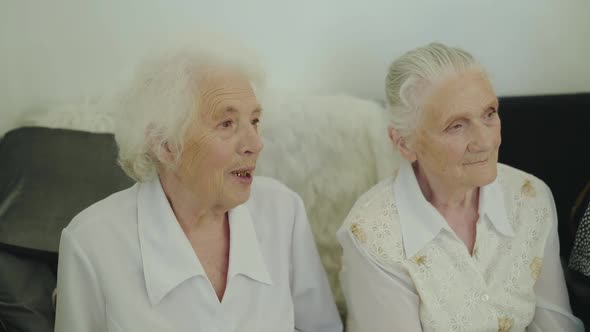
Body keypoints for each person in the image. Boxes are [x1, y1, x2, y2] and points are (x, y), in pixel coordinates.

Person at [54, 36, 342, 332]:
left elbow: (320, 328)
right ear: (166, 145)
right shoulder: (91, 242)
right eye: (226, 124)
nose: (255, 144)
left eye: (254, 121)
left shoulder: (283, 210)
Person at [337, 42, 583, 331]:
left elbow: (556, 324)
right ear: (404, 143)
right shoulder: (370, 234)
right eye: (456, 125)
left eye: (489, 114)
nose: (486, 141)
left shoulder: (529, 196)